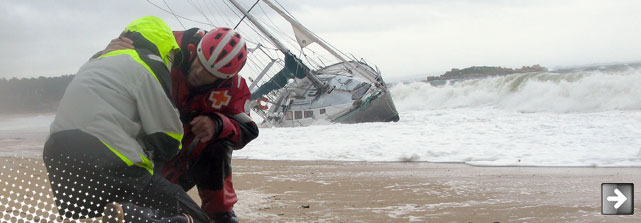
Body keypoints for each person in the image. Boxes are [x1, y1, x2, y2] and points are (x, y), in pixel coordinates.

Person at [43, 16, 211, 223]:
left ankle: (125, 215)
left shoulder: (97, 60)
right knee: (197, 217)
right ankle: (134, 216)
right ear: (166, 50)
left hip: (57, 154)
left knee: (92, 217)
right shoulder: (150, 63)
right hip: (105, 154)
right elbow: (168, 138)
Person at [104, 27, 259, 223]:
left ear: (224, 79)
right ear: (195, 49)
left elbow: (248, 129)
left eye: (210, 73)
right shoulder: (168, 45)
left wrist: (218, 123)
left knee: (218, 144)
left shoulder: (234, 89)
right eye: (199, 63)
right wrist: (108, 55)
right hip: (141, 150)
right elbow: (110, 73)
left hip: (182, 163)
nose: (199, 73)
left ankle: (221, 214)